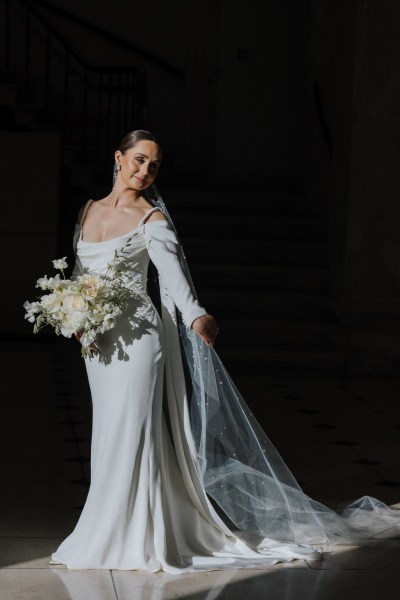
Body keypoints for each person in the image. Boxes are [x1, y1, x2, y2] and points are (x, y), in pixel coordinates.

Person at [50, 130, 400, 573]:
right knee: (108, 432)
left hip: (139, 338)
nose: (144, 171)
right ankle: (101, 528)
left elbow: (173, 275)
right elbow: (81, 272)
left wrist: (196, 316)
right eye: (138, 160)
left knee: (132, 432)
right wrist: (74, 319)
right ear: (118, 158)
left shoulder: (151, 218)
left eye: (154, 166)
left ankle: (133, 534)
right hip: (99, 342)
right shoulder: (88, 210)